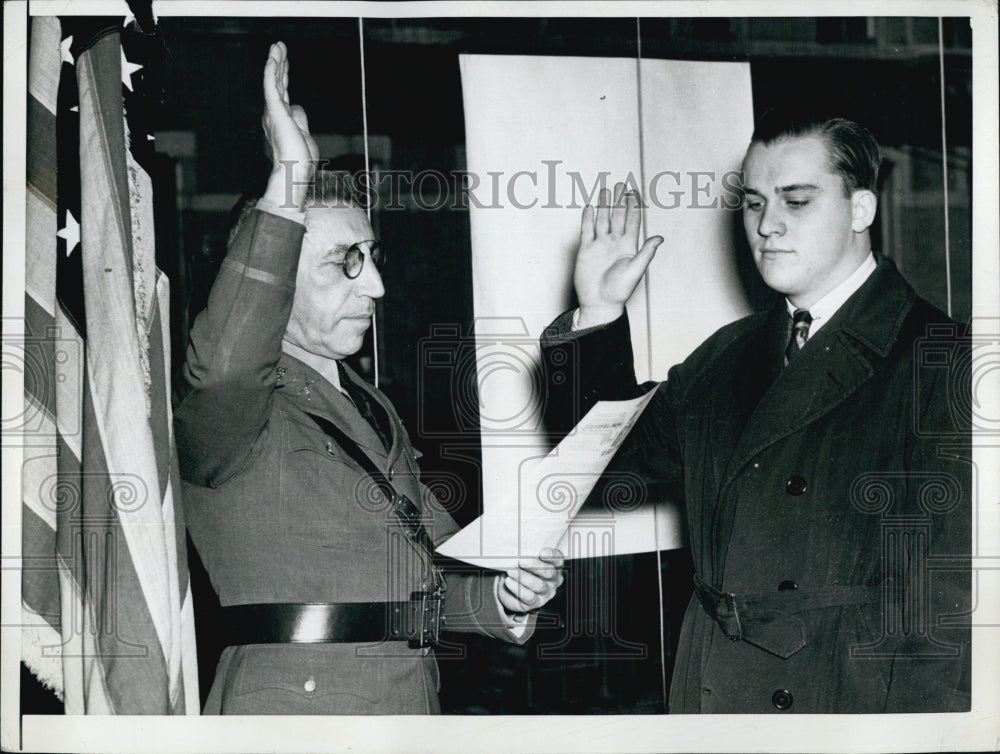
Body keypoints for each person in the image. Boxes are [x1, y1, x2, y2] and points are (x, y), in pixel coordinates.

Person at [174, 42, 564, 715]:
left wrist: (502, 595)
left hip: (406, 706)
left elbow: (427, 572)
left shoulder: (371, 405)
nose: (377, 285)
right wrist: (289, 182)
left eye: (372, 257)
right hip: (297, 715)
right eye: (344, 262)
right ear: (276, 285)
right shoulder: (228, 409)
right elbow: (225, 362)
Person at [540, 111, 971, 713]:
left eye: (796, 201)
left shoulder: (944, 362)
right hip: (711, 688)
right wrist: (598, 315)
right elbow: (606, 464)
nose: (767, 225)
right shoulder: (730, 354)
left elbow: (954, 612)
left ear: (861, 209)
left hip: (841, 703)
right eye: (753, 203)